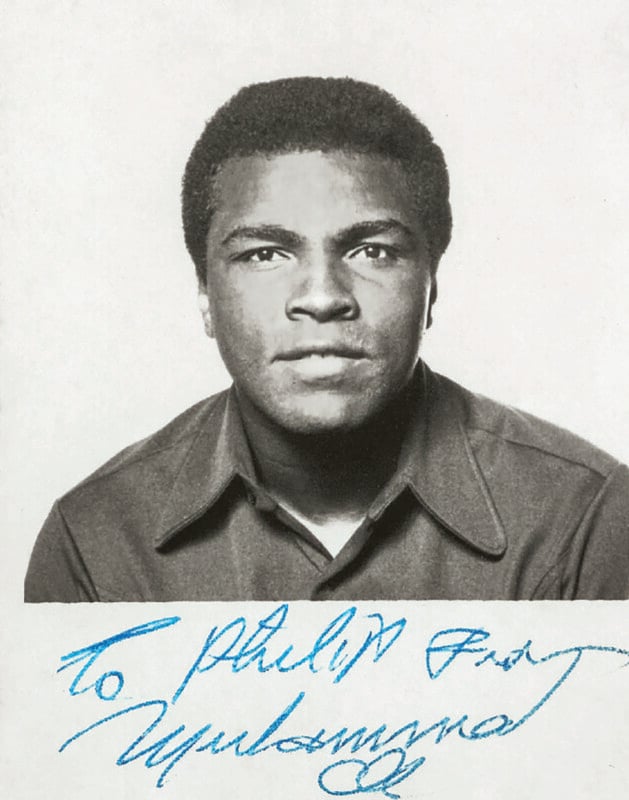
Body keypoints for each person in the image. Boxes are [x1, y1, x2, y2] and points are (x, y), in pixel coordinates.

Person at [24, 77, 629, 602]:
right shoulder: (93, 543)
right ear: (205, 294)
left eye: (372, 251)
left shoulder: (585, 518)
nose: (320, 296)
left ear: (431, 286)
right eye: (265, 253)